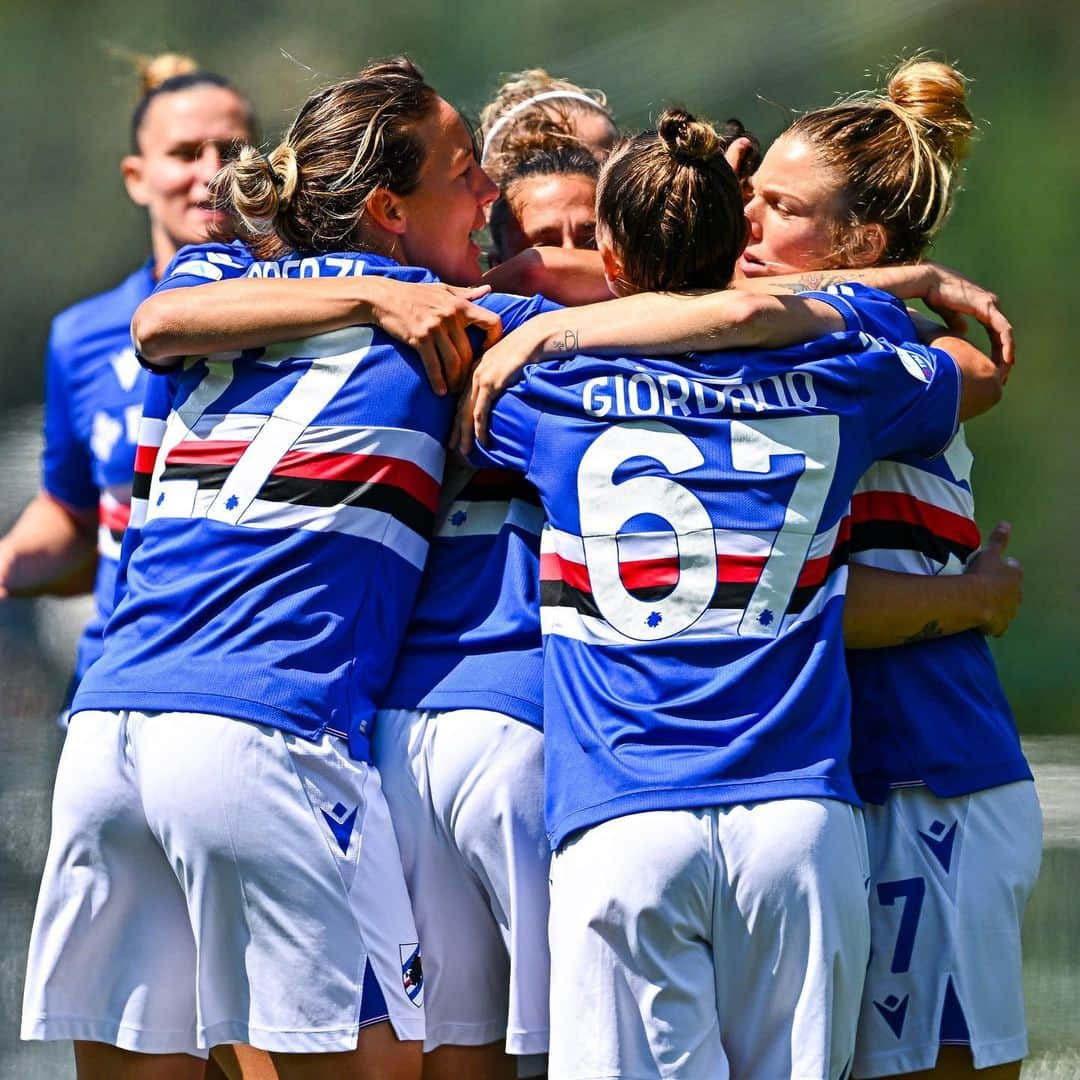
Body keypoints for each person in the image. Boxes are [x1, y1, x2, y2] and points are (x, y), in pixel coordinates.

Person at [20, 57, 561, 1080]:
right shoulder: (465, 324)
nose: (490, 192)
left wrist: (366, 291)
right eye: (466, 171)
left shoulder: (217, 276)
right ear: (392, 208)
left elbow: (155, 324)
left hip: (108, 734)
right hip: (261, 729)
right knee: (385, 1065)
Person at [466, 106, 1008, 1079]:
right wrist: (907, 282)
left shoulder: (540, 378)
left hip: (627, 812)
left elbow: (493, 294)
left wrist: (562, 321)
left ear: (613, 257)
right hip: (800, 822)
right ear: (735, 245)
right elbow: (972, 370)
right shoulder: (840, 373)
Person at [735, 60, 1039, 1080]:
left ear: (860, 245)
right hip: (824, 783)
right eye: (750, 196)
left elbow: (817, 606)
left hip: (925, 769)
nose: (748, 223)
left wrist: (964, 602)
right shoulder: (764, 344)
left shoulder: (881, 362)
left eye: (781, 207)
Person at [0, 53, 253, 707]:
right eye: (186, 152)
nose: (212, 174)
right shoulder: (83, 335)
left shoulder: (324, 298)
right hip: (118, 688)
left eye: (232, 150)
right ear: (137, 178)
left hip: (261, 690)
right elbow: (74, 513)